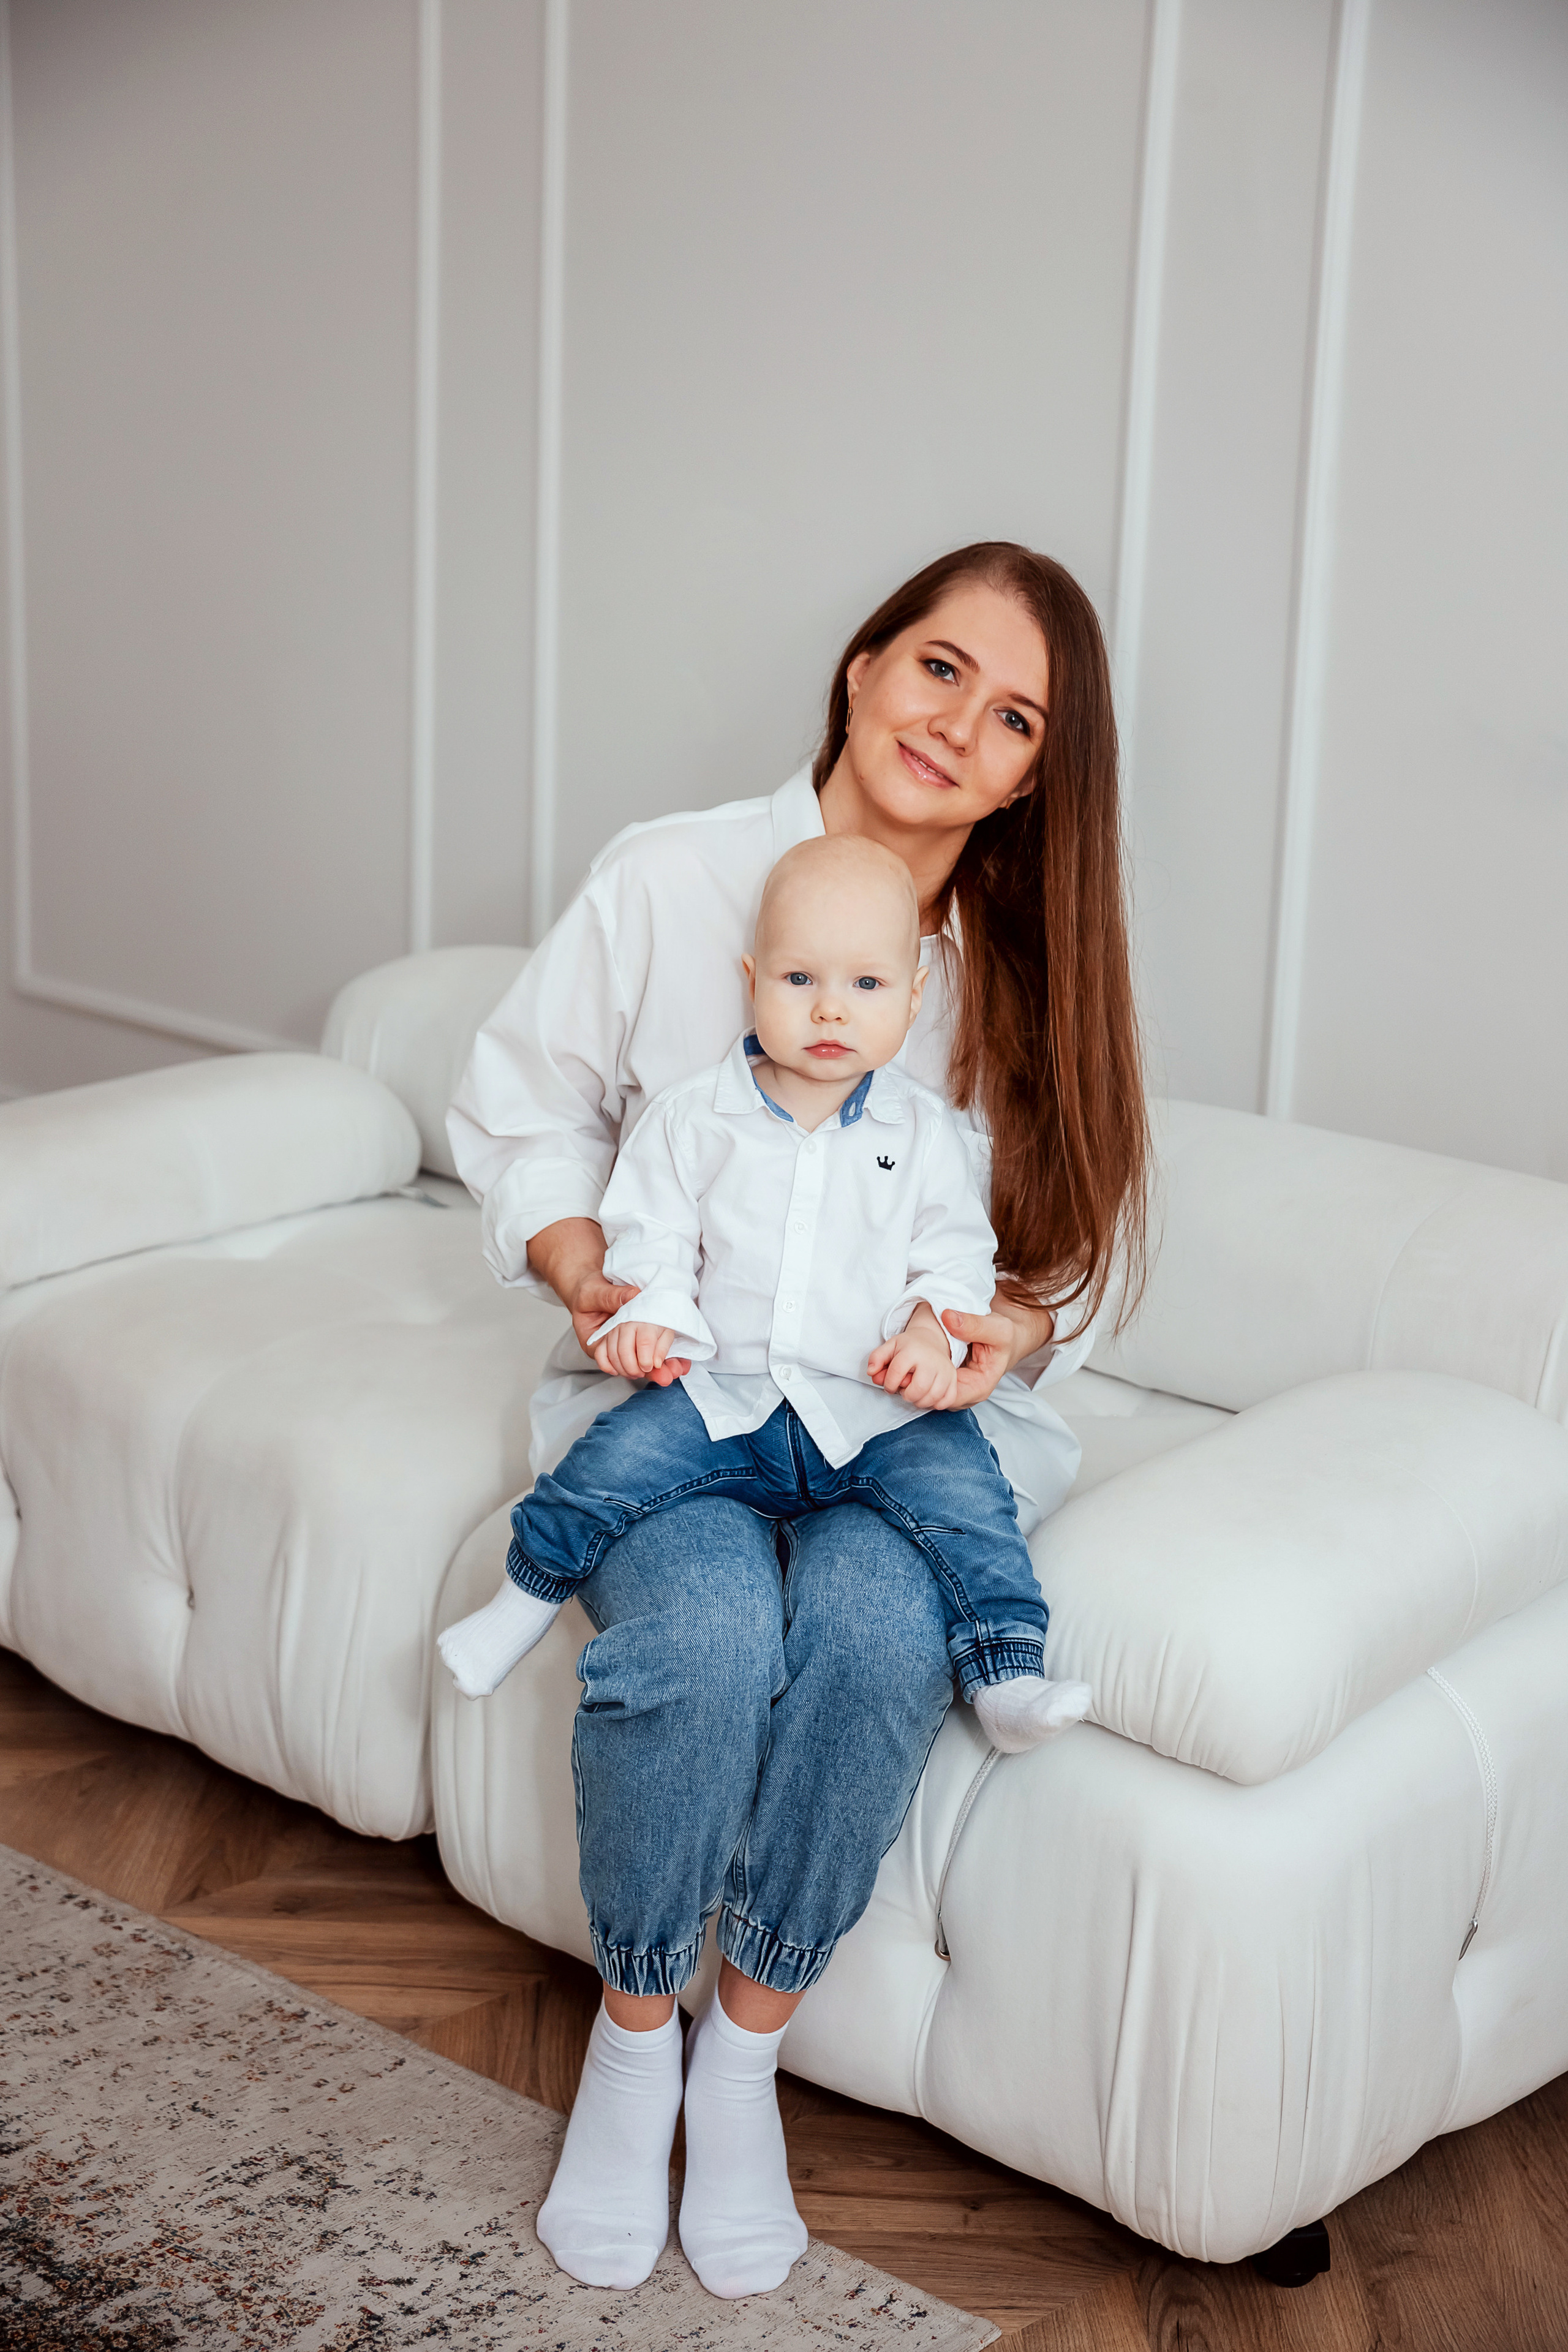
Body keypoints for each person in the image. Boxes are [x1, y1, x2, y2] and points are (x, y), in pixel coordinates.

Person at [447, 541, 1148, 2299]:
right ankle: (630, 2046)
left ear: (1032, 776)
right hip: (681, 1400)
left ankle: (743, 2055)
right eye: (938, 671)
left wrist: (997, 1329)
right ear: (862, 667)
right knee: (696, 1638)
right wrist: (588, 1270)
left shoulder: (1014, 970)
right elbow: (518, 1110)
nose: (957, 729)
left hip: (881, 1441)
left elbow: (1055, 1261)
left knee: (864, 1638)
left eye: (1013, 721)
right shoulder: (675, 878)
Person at [439, 831, 1093, 1756]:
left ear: (912, 999)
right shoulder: (694, 1119)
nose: (831, 1009)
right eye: (799, 980)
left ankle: (1007, 1671)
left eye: (866, 986)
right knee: (608, 1460)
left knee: (969, 1498)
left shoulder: (929, 1137)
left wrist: (928, 1333)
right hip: (724, 1395)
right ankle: (519, 1600)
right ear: (753, 981)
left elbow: (954, 1261)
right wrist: (651, 1316)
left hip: (874, 1411)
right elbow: (652, 1238)